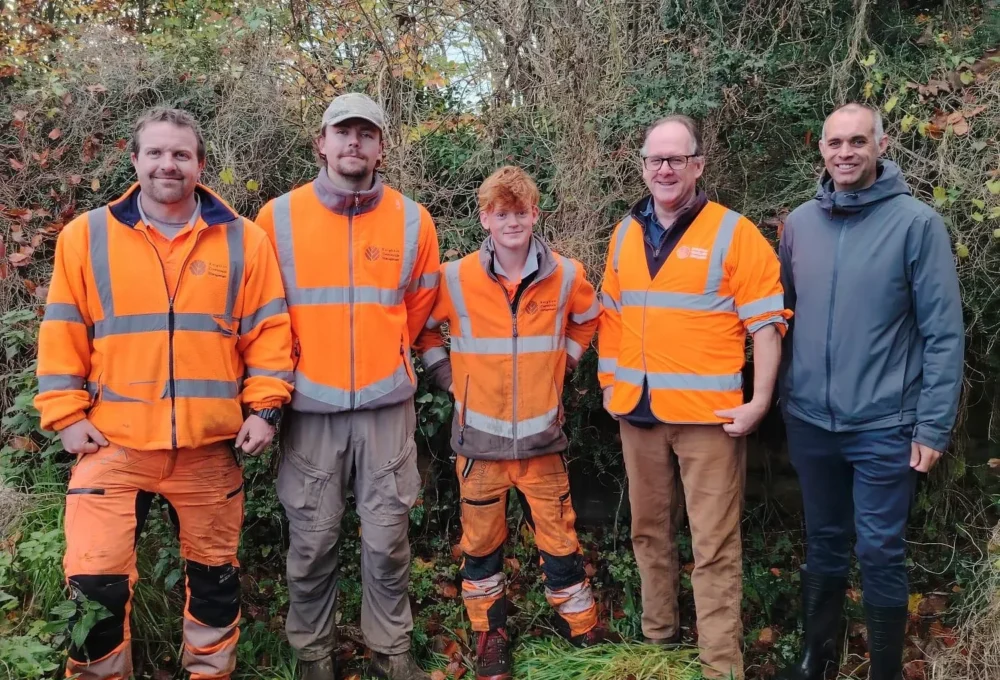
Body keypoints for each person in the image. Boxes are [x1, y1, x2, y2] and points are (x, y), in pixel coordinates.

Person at [34, 107, 294, 680]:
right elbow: (61, 331)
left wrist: (266, 408)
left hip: (207, 449)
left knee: (215, 585)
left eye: (180, 154)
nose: (167, 165)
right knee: (93, 589)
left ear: (200, 164)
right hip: (112, 446)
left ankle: (209, 673)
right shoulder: (87, 236)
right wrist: (64, 414)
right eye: (155, 153)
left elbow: (269, 334)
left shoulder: (243, 240)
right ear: (135, 160)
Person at [598, 114, 791, 679]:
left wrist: (759, 402)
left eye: (675, 159)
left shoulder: (734, 232)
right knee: (648, 532)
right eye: (654, 159)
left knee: (714, 546)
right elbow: (612, 315)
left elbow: (767, 324)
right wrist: (611, 386)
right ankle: (659, 643)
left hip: (710, 421)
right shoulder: (624, 232)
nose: (664, 169)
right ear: (642, 167)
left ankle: (718, 665)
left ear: (698, 166)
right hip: (638, 413)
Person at [255, 92, 440, 680]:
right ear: (322, 142)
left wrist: (384, 359)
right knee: (311, 543)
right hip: (309, 409)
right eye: (343, 132)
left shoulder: (414, 220)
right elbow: (264, 315)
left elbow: (419, 309)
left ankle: (391, 649)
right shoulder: (276, 218)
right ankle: (313, 655)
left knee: (387, 542)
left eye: (366, 133)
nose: (354, 142)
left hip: (387, 409)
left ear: (382, 147)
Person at [776, 103, 964, 680]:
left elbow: (943, 331)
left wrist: (933, 425)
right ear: (822, 150)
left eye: (858, 141)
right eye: (835, 142)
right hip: (810, 421)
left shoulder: (916, 224)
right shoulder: (800, 224)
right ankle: (817, 658)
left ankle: (884, 669)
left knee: (880, 549)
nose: (845, 152)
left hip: (885, 425)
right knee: (824, 540)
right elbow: (782, 315)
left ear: (881, 146)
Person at [416, 166, 605, 680]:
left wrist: (563, 363)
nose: (513, 222)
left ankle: (581, 624)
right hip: (480, 446)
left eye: (521, 212)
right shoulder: (455, 278)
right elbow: (424, 332)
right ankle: (489, 634)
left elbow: (591, 317)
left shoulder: (566, 275)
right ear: (486, 219)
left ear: (535, 214)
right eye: (502, 214)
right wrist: (448, 377)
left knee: (561, 539)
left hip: (543, 442)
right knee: (480, 544)